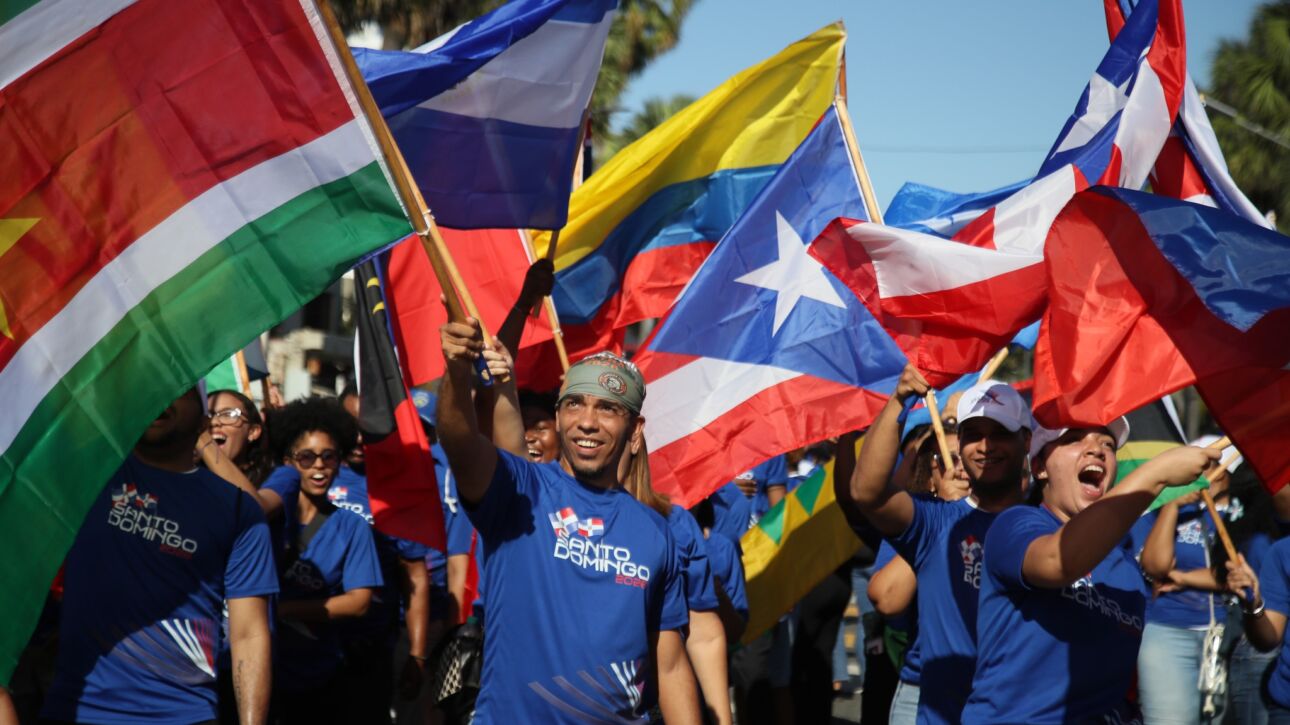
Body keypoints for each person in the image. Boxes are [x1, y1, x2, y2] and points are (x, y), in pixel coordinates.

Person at [436, 314, 699, 723]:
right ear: (558, 417)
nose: (587, 422)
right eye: (575, 403)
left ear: (635, 430)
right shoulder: (520, 491)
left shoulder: (656, 533)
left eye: (607, 408)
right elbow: (460, 441)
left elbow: (670, 665)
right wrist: (456, 372)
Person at [41, 388, 277, 724]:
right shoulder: (86, 474)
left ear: (203, 422)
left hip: (184, 715)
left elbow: (249, 634)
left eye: (178, 389)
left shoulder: (239, 511)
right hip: (75, 710)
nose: (162, 395)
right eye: (154, 385)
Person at [963, 422, 1217, 723]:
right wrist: (1157, 474)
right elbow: (1057, 561)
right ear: (1040, 467)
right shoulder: (1016, 525)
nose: (1096, 449)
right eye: (1073, 439)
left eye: (1107, 444)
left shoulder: (1128, 572)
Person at [845, 365, 1033, 724]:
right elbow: (865, 492)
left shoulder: (1045, 528)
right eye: (973, 435)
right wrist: (899, 399)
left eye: (1000, 433)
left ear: (1026, 441)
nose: (986, 446)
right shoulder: (937, 519)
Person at [261, 397, 384, 723]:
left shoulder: (353, 526)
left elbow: (358, 602)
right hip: (259, 670)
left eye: (329, 456)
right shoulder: (266, 517)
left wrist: (283, 610)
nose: (319, 466)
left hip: (318, 679)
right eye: (307, 457)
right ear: (288, 462)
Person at [334, 386, 435, 724]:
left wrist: (417, 655)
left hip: (372, 649)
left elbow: (415, 575)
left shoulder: (399, 488)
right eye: (350, 425)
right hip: (311, 646)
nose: (359, 438)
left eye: (370, 427)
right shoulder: (314, 473)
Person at [622, 441, 732, 725]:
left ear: (634, 435)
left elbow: (704, 633)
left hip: (656, 707)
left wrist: (723, 720)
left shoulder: (675, 523)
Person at [868, 421, 969, 725]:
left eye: (967, 457)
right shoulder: (915, 521)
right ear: (930, 477)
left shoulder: (1007, 519)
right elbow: (888, 599)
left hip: (993, 692)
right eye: (948, 459)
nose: (960, 468)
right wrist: (945, 519)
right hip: (923, 690)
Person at [1134, 449, 1238, 724]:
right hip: (1168, 632)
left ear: (1227, 472)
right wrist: (1172, 507)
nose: (1200, 475)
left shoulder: (1244, 512)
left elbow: (1238, 574)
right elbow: (1155, 566)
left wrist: (1181, 577)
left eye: (1209, 466)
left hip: (1228, 636)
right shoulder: (1165, 510)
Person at [205, 389, 273, 486]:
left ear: (252, 432)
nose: (213, 422)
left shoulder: (279, 477)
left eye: (228, 414)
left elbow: (252, 497)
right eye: (207, 416)